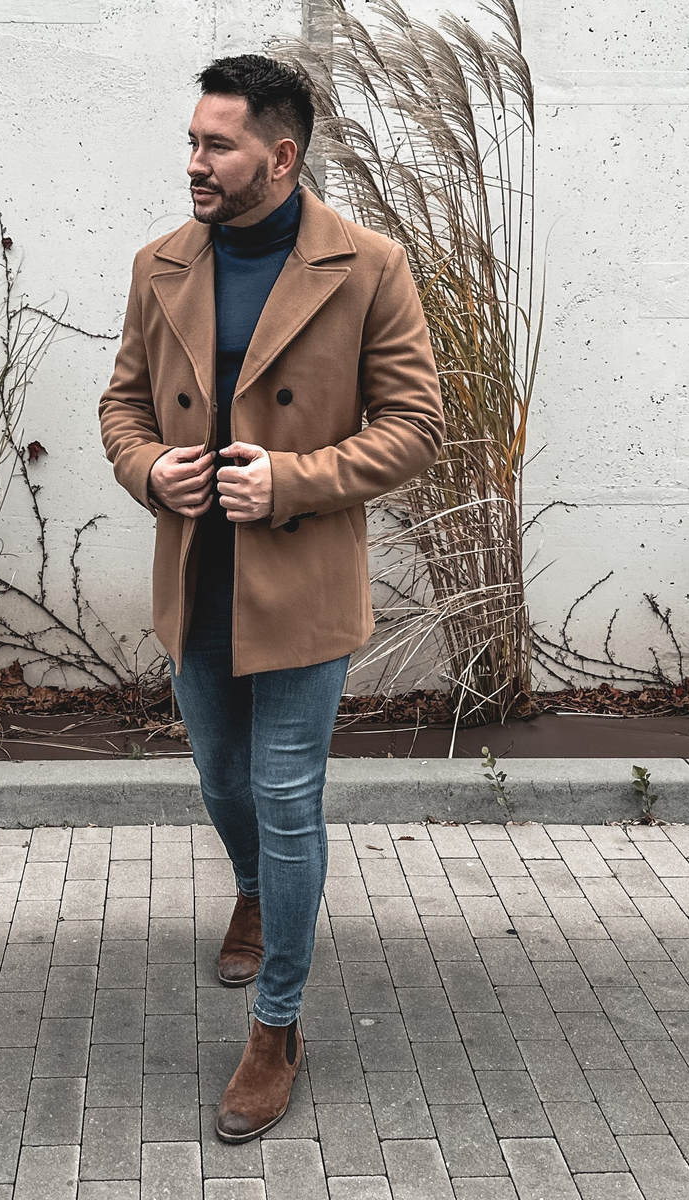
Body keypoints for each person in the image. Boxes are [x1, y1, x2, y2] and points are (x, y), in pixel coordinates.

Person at [98, 53, 444, 1143]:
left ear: (280, 156)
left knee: (288, 795)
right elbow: (121, 404)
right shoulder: (161, 262)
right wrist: (148, 468)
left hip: (298, 582)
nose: (194, 163)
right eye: (192, 142)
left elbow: (415, 426)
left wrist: (291, 481)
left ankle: (277, 1026)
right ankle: (251, 888)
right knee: (221, 775)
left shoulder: (369, 266)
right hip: (196, 574)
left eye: (218, 145)